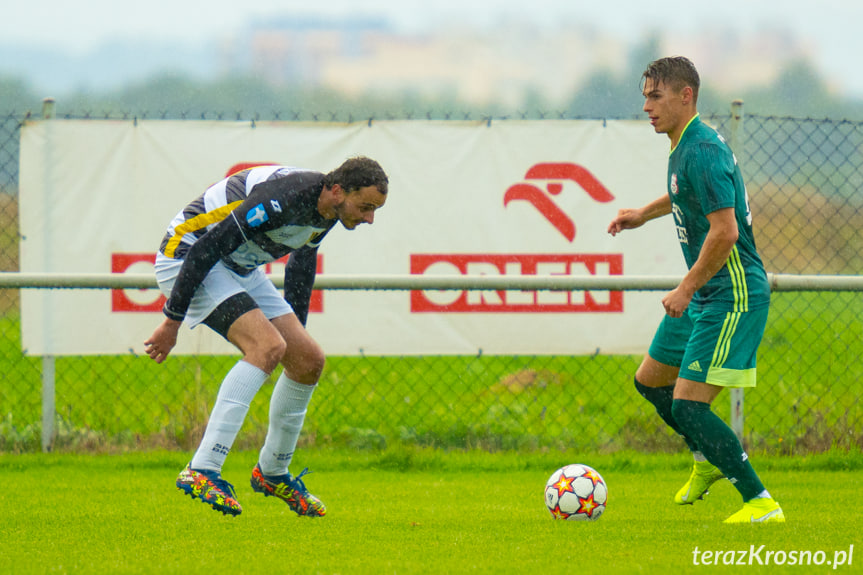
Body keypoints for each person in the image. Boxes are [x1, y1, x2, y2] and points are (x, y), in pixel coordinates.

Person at [145, 156, 389, 517]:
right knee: (266, 345)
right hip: (186, 258)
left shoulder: (329, 209)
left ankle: (272, 473)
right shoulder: (285, 197)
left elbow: (302, 266)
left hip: (237, 265)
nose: (369, 218)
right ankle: (202, 470)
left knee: (308, 361)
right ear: (337, 190)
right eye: (366, 207)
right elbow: (205, 249)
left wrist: (297, 338)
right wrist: (171, 321)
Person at [607, 57, 784, 524]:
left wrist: (685, 288)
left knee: (689, 403)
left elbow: (724, 232)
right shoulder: (684, 145)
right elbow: (686, 193)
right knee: (650, 381)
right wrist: (643, 214)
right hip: (706, 294)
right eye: (645, 95)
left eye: (655, 96)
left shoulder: (701, 149)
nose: (646, 105)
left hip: (732, 295)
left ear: (686, 96)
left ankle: (761, 503)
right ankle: (707, 461)